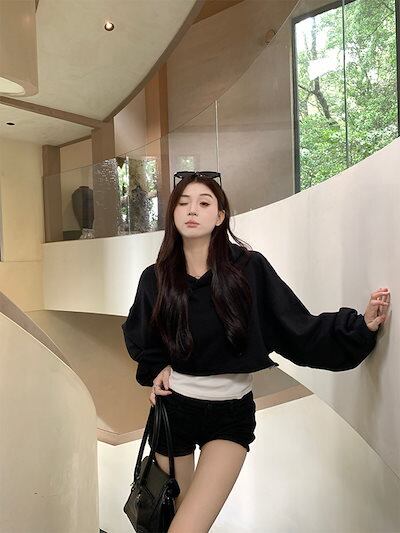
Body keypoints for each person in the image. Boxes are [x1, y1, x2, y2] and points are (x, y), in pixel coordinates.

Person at [122, 171, 390, 533]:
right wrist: (156, 369)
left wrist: (359, 328)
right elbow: (141, 336)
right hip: (174, 411)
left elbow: (295, 326)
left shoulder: (249, 269)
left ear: (220, 216)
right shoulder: (155, 278)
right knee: (167, 521)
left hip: (229, 415)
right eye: (183, 203)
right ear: (172, 214)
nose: (192, 210)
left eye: (204, 203)